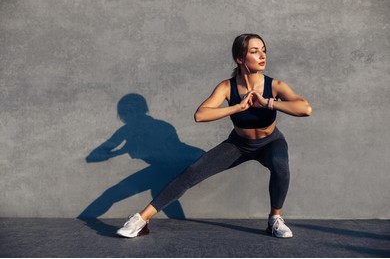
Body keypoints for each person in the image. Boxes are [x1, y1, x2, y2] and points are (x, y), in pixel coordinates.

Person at [116, 33, 312, 239]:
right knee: (192, 172)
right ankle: (141, 220)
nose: (262, 55)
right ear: (239, 58)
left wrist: (267, 103)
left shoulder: (275, 86)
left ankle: (275, 219)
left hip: (270, 142)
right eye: (254, 51)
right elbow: (200, 115)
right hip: (239, 145)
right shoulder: (227, 87)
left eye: (263, 50)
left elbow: (305, 108)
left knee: (280, 164)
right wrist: (237, 107)